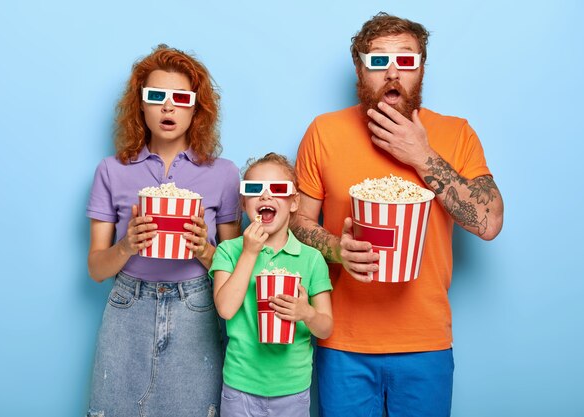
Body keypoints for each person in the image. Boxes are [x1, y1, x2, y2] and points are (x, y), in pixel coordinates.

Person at [291, 12, 504, 417]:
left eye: (406, 61)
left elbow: (489, 222)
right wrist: (336, 248)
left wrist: (421, 155)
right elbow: (298, 222)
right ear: (359, 68)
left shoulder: (456, 134)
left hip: (425, 342)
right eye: (378, 61)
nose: (393, 73)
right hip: (344, 342)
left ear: (422, 67)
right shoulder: (324, 131)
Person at [85, 44, 241, 417]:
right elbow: (95, 268)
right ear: (140, 105)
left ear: (196, 107)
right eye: (156, 96)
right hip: (127, 307)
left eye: (181, 98)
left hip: (196, 308)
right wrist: (126, 246)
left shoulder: (223, 174)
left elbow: (236, 272)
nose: (168, 107)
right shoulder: (112, 170)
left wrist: (204, 248)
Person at [209, 153, 333, 417]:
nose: (266, 196)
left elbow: (325, 327)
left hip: (293, 389)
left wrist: (306, 313)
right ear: (244, 202)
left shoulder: (312, 259)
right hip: (240, 386)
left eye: (278, 189)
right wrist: (249, 253)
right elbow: (226, 309)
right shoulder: (229, 252)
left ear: (294, 202)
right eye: (254, 189)